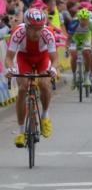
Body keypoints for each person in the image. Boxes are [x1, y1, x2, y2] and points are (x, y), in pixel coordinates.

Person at [5, 8, 58, 147]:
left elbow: (54, 59)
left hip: (42, 58)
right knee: (22, 89)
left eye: (39, 28)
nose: (36, 32)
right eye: (33, 28)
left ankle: (45, 115)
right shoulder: (18, 32)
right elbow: (9, 58)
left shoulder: (48, 33)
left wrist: (52, 69)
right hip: (24, 58)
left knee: (44, 84)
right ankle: (21, 131)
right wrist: (10, 68)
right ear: (26, 26)